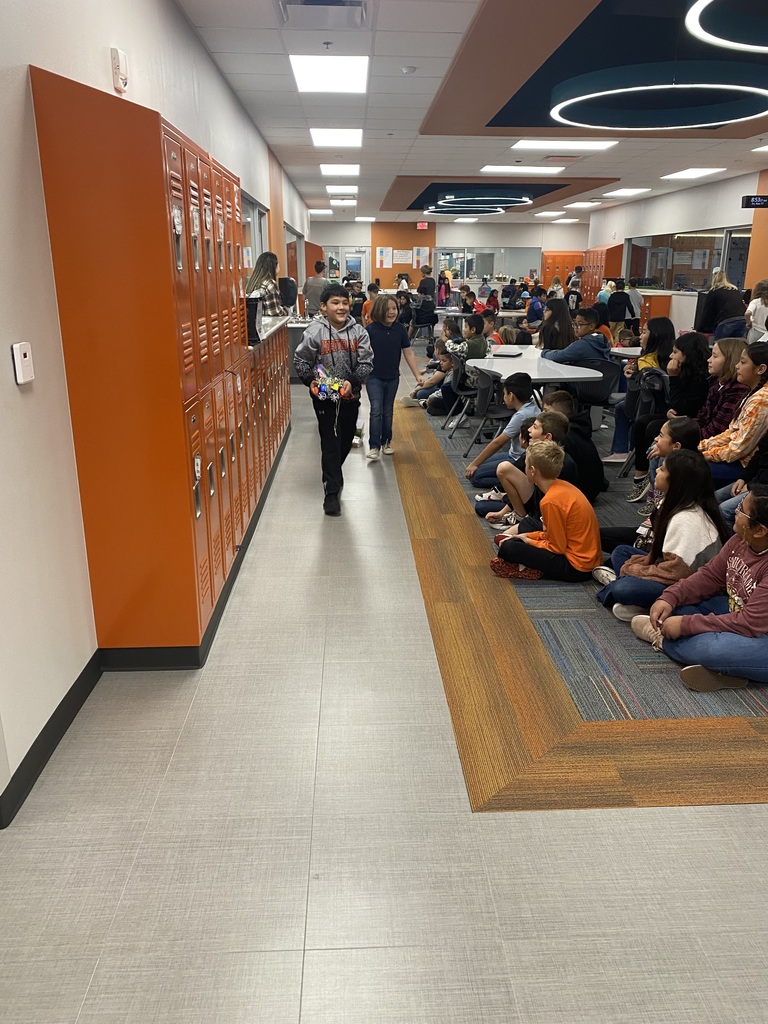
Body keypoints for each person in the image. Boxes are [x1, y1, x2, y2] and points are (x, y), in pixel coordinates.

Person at [631, 485, 768, 691]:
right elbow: (710, 576)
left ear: (760, 530)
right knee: (678, 610)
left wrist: (686, 626)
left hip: (758, 633)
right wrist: (670, 597)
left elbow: (748, 623)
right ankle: (727, 672)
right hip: (739, 613)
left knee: (712, 648)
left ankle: (662, 640)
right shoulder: (741, 540)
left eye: (741, 510)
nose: (735, 511)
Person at [593, 449, 728, 621]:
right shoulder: (676, 503)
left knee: (624, 588)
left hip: (683, 584)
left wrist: (635, 570)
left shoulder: (686, 519)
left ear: (676, 481)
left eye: (663, 469)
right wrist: (639, 568)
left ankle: (626, 592)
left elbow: (676, 574)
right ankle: (632, 596)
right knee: (621, 551)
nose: (657, 470)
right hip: (668, 568)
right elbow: (661, 557)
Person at [293, 284, 373, 516]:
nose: (341, 307)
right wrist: (310, 381)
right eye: (335, 303)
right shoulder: (314, 331)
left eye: (345, 303)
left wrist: (352, 381)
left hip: (350, 395)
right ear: (323, 307)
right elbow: (301, 360)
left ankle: (334, 473)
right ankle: (331, 491)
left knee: (345, 440)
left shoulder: (359, 332)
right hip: (324, 397)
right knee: (330, 441)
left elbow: (367, 362)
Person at [489, 440, 602, 581]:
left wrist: (528, 541)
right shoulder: (562, 486)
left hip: (576, 567)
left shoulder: (550, 501)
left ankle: (531, 568)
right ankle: (525, 562)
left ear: (532, 470)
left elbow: (556, 547)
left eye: (525, 465)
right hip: (584, 557)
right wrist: (529, 536)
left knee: (508, 548)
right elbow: (552, 534)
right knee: (526, 528)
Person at [625, 331, 710, 502]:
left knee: (653, 429)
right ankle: (641, 475)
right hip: (679, 417)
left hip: (691, 422)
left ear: (687, 355)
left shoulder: (700, 379)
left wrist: (673, 378)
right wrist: (668, 412)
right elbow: (672, 404)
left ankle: (656, 486)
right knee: (643, 421)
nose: (671, 356)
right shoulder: (683, 370)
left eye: (676, 352)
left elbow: (682, 407)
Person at [486, 411, 580, 529]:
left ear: (547, 437)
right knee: (484, 505)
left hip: (547, 514)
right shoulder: (534, 452)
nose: (529, 430)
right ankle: (519, 516)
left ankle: (521, 518)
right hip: (535, 504)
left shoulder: (564, 465)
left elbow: (557, 504)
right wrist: (502, 512)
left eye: (535, 427)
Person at [603, 316, 677, 463]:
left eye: (644, 332)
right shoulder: (673, 357)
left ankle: (620, 450)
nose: (640, 336)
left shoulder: (646, 360)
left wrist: (634, 376)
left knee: (622, 407)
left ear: (655, 335)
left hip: (650, 407)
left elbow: (644, 387)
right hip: (669, 405)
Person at [699, 341, 768, 485]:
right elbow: (731, 433)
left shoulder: (761, 400)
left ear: (760, 369)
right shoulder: (753, 392)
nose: (737, 366)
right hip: (732, 458)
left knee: (681, 467)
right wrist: (700, 446)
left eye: (742, 362)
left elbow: (738, 449)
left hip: (742, 465)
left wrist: (702, 455)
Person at [365, 294, 424, 460]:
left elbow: (408, 353)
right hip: (373, 377)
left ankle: (386, 442)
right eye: (387, 309)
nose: (391, 312)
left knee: (388, 410)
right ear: (379, 310)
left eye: (394, 308)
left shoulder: (400, 329)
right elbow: (361, 353)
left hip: (392, 377)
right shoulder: (370, 330)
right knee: (376, 410)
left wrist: (417, 374)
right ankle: (374, 446)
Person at [465, 372, 539, 489]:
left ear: (511, 396)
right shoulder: (532, 407)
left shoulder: (521, 415)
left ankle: (519, 481)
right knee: (479, 465)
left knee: (476, 477)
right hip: (514, 454)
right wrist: (476, 463)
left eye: (504, 394)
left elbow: (498, 442)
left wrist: (474, 464)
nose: (503, 397)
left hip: (517, 459)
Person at [542, 390, 605, 503]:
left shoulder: (563, 436)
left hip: (579, 493)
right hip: (591, 488)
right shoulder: (578, 428)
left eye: (546, 411)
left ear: (559, 415)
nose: (542, 415)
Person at [697, 337, 748, 440]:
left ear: (730, 360)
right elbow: (702, 417)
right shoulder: (716, 382)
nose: (709, 360)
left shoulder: (738, 389)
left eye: (715, 356)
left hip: (716, 442)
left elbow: (717, 430)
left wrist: (683, 436)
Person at [717, 431, 768, 530]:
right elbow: (760, 454)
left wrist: (750, 486)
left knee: (725, 510)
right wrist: (743, 478)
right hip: (756, 479)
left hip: (763, 487)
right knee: (716, 496)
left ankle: (734, 538)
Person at [698, 270, 747, 340]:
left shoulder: (714, 291)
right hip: (742, 320)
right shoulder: (735, 290)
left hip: (726, 322)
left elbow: (707, 312)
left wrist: (700, 329)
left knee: (721, 345)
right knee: (736, 345)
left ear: (714, 279)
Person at [401, 339, 451, 406]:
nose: (441, 363)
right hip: (440, 387)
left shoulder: (444, 366)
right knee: (422, 386)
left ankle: (422, 402)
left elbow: (432, 381)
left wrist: (416, 389)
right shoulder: (443, 362)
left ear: (437, 350)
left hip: (442, 390)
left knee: (421, 393)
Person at [245, 250, 289, 317]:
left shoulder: (251, 283)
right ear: (274, 266)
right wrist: (285, 311)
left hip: (256, 322)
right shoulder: (270, 284)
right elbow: (276, 312)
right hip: (269, 323)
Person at [746, 278, 768, 344]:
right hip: (766, 333)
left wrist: (748, 322)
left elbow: (748, 313)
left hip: (756, 331)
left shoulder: (756, 301)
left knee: (751, 348)